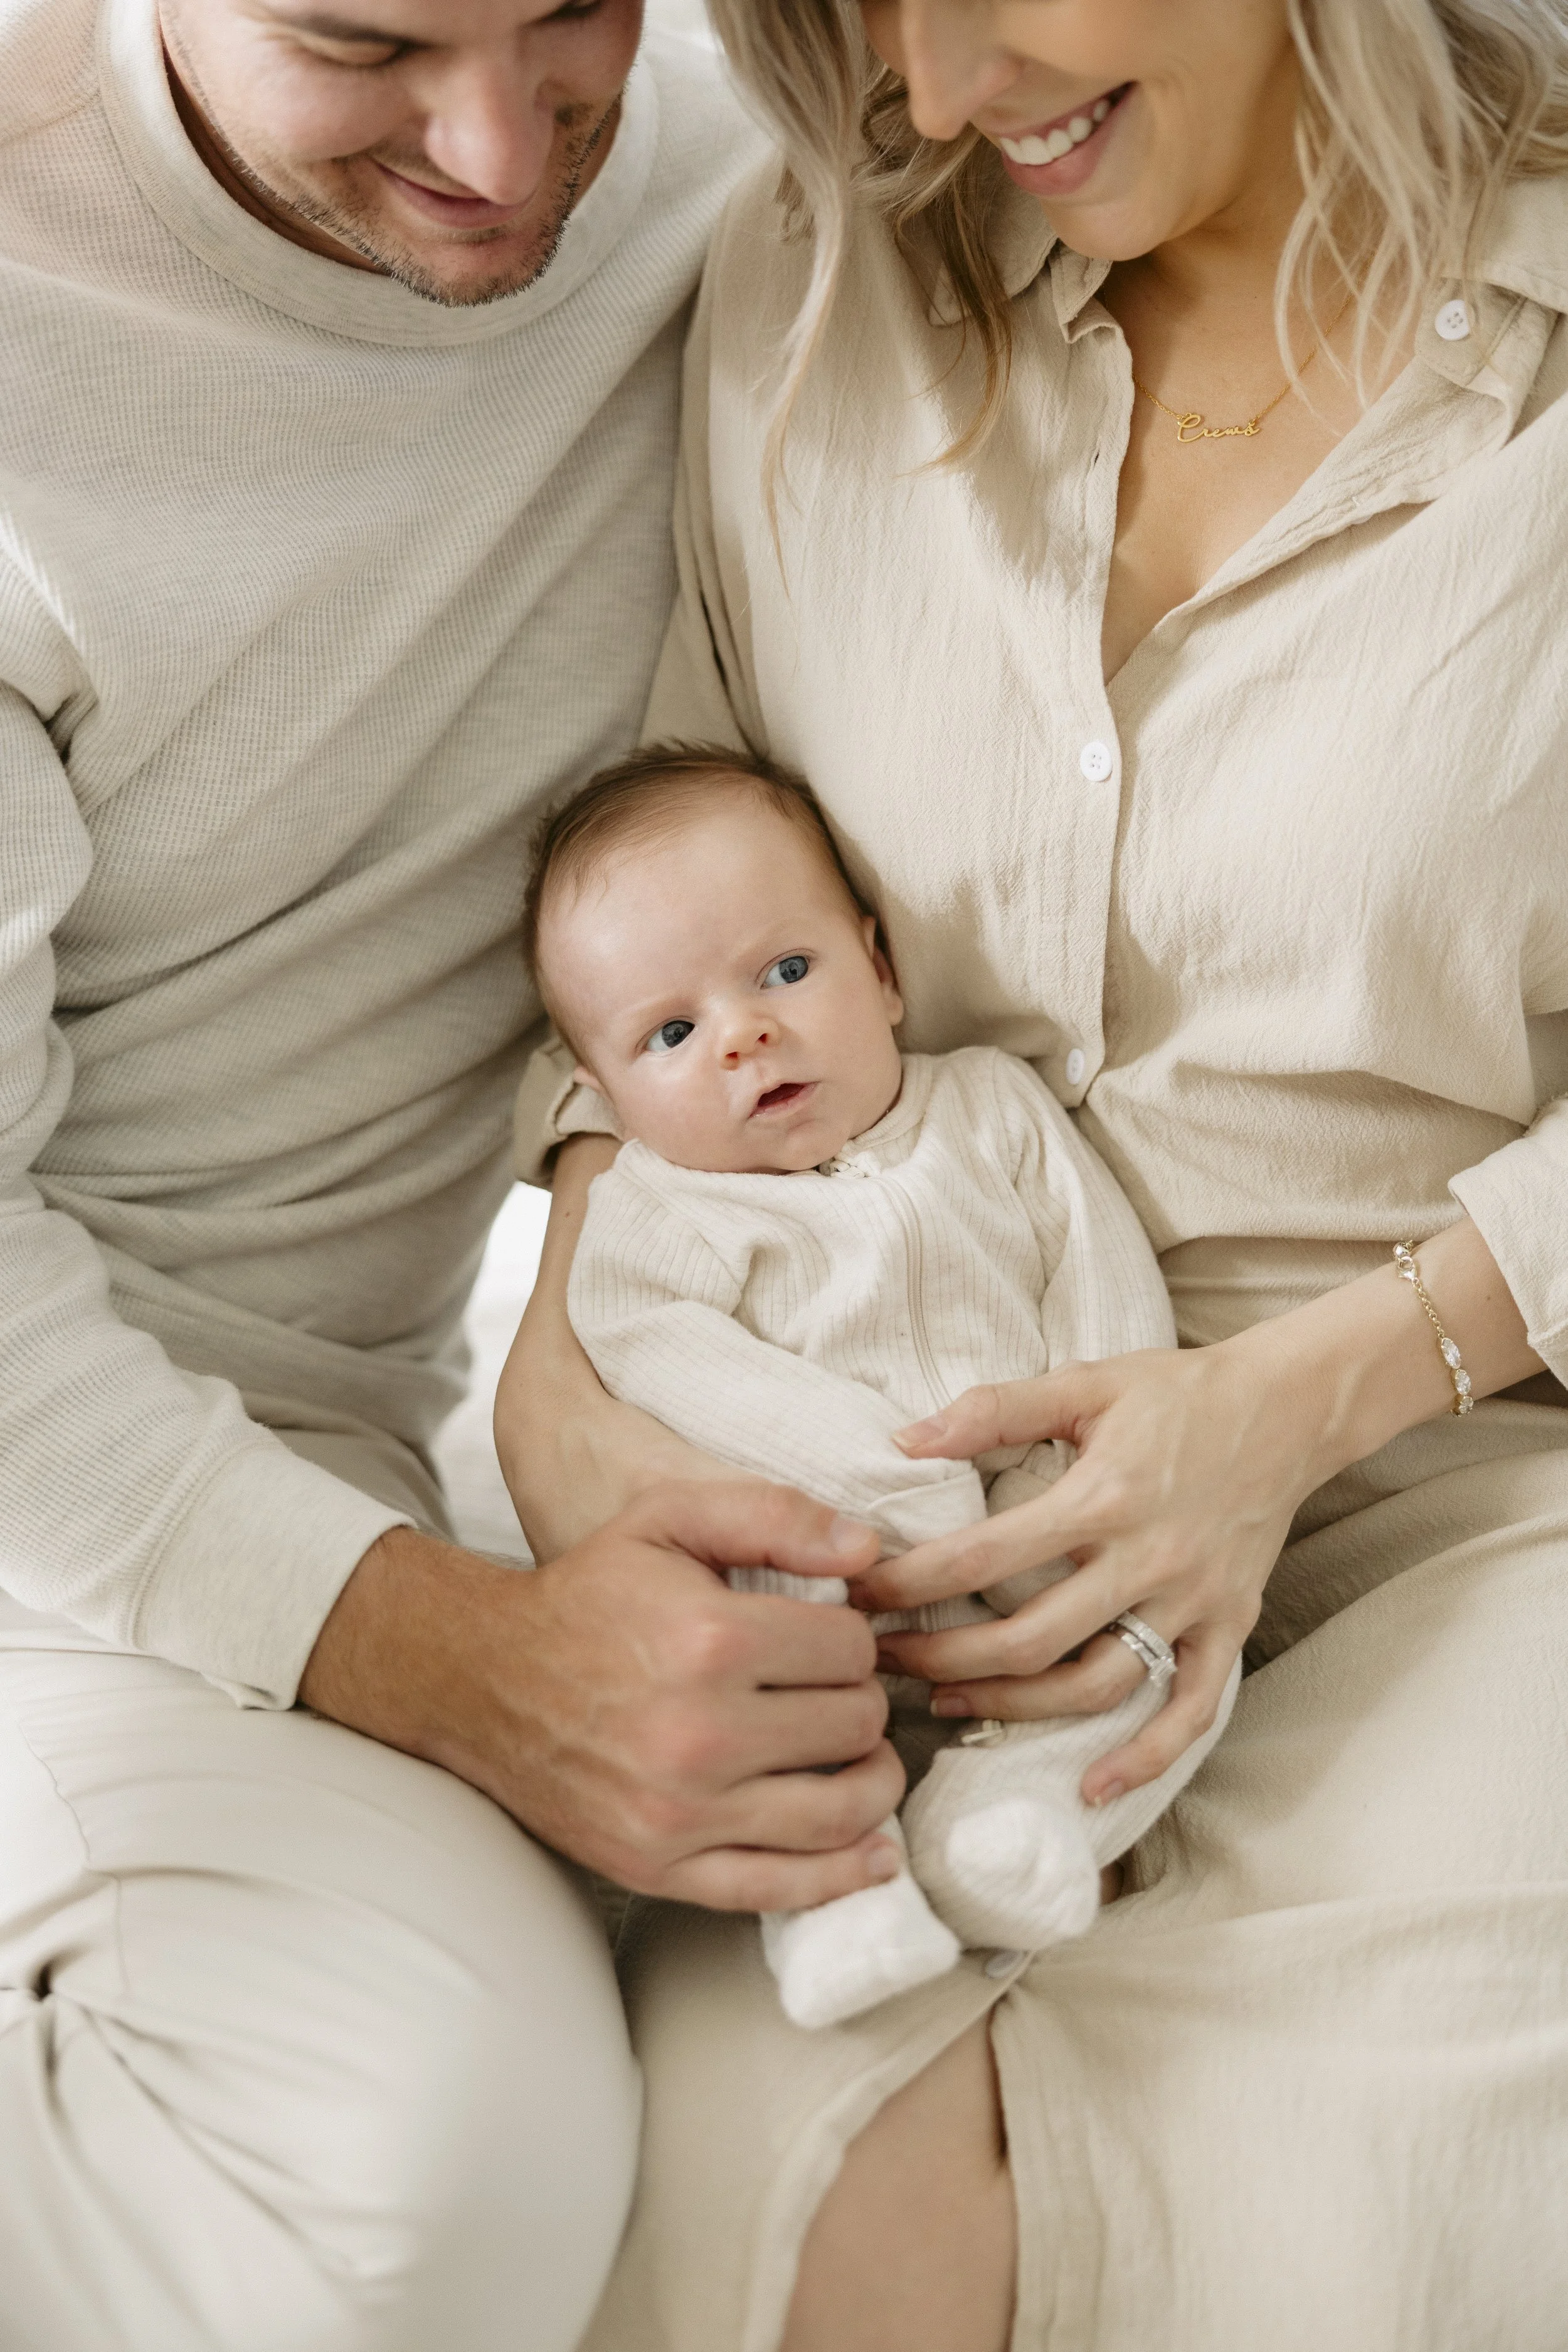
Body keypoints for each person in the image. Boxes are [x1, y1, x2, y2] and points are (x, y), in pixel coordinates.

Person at [500, 1, 1568, 2347]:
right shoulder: (818, 279)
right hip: (894, 1529)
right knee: (804, 2235)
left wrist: (1289, 1405)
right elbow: (664, 885)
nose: (933, 93)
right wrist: (564, 1371)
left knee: (1321, 2217)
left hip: (1464, 1489)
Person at [0, 3, 909, 2346]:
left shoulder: (741, 164)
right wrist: (468, 1663)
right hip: (55, 1475)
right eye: (366, 41)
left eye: (573, 11)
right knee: (421, 2191)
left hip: (315, 1429)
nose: (506, 154)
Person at [519, 739, 1239, 2030]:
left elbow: (1099, 1279)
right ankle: (833, 1896)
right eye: (672, 1033)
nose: (745, 1034)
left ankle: (1013, 1821)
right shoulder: (656, 1218)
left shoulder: (991, 1112)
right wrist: (868, 1477)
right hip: (828, 1559)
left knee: (1173, 1654)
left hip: (1046, 1525)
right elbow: (671, 1361)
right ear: (604, 1095)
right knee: (741, 1655)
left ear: (883, 971)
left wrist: (1096, 1460)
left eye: (785, 972)